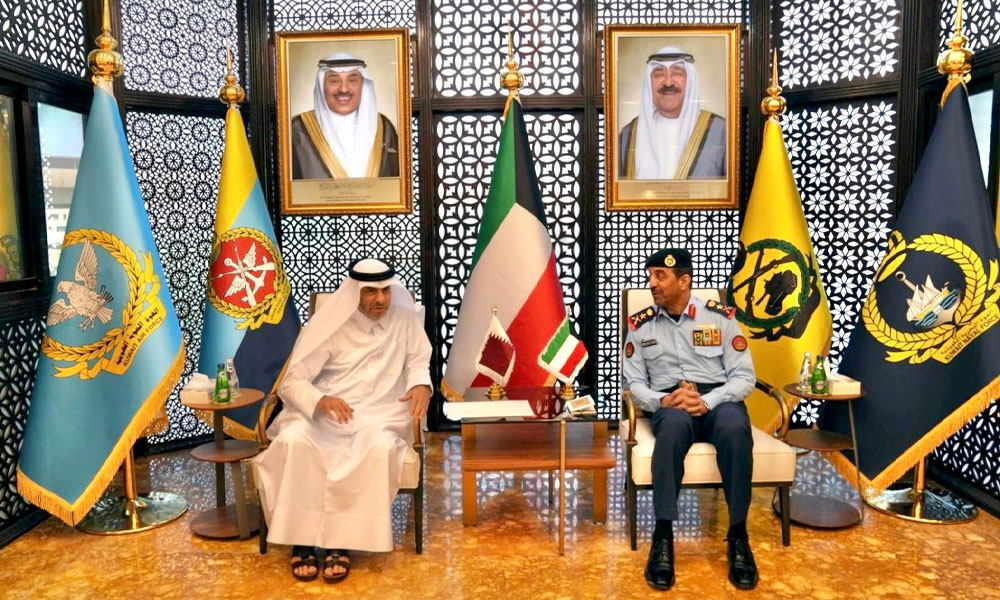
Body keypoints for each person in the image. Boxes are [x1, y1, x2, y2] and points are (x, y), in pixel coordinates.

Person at [253, 258, 431, 583]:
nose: (381, 299)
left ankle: (342, 542)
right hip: (326, 415)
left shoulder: (405, 319)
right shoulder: (332, 325)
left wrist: (421, 385)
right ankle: (301, 540)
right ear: (355, 293)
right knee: (293, 440)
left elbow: (419, 361)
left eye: (386, 290)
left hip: (379, 414)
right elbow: (292, 382)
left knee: (377, 448)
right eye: (371, 292)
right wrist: (320, 400)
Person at [622, 248, 758, 591]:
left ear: (684, 281)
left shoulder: (720, 318)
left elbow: (744, 377)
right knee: (671, 430)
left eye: (660, 276)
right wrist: (663, 400)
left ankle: (738, 535)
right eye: (651, 276)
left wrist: (707, 401)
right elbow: (633, 383)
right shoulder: (640, 325)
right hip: (670, 402)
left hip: (717, 399)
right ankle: (662, 536)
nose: (652, 283)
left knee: (735, 428)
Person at [619, 47, 726, 180]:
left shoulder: (720, 131)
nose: (668, 82)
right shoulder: (628, 134)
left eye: (677, 73)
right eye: (659, 74)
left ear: (690, 81)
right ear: (649, 83)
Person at [290, 53, 400, 179]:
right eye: (334, 81)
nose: (343, 89)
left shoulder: (384, 127)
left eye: (352, 80)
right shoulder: (298, 129)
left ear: (363, 85)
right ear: (322, 85)